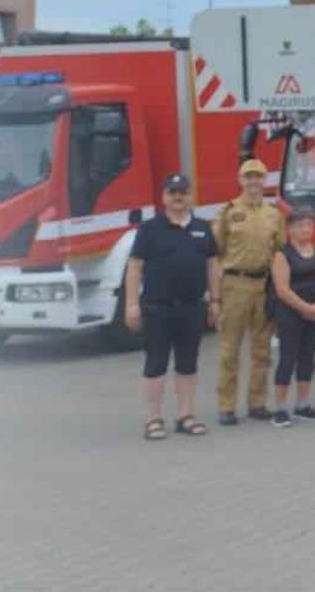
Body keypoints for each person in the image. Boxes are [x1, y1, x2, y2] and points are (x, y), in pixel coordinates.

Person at [125, 174, 221, 440]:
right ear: (164, 197)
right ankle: (153, 419)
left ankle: (186, 416)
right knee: (155, 364)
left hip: (191, 307)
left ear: (191, 196)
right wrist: (131, 305)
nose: (178, 197)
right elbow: (134, 268)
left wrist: (215, 301)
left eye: (183, 192)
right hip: (158, 308)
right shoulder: (149, 229)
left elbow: (213, 265)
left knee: (187, 365)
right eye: (172, 192)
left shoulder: (203, 228)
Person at [210, 158, 284, 426]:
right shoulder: (228, 213)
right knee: (230, 349)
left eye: (259, 177)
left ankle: (257, 402)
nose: (254, 182)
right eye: (248, 177)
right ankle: (226, 405)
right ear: (240, 180)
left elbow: (279, 253)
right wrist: (215, 297)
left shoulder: (273, 215)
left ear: (265, 181)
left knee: (262, 350)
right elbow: (214, 254)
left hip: (263, 285)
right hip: (235, 284)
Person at [266, 207, 315, 427]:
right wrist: (305, 308)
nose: (305, 229)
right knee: (288, 358)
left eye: (309, 225)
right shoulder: (282, 254)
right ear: (289, 229)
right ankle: (281, 409)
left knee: (307, 358)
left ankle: (303, 405)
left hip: (314, 312)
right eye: (299, 225)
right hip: (290, 313)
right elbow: (282, 289)